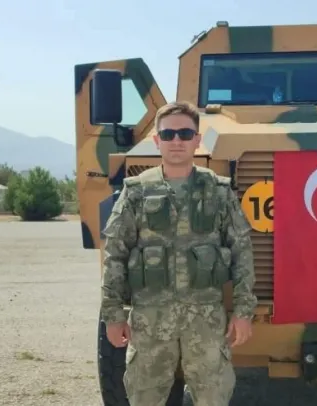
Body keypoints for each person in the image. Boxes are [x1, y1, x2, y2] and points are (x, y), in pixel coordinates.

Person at [100, 100, 258, 406]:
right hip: (150, 320)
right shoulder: (136, 192)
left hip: (205, 321)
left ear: (197, 140)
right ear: (156, 140)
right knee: (145, 399)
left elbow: (242, 253)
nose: (176, 141)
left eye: (185, 134)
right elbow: (115, 256)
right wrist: (113, 315)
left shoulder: (219, 191)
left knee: (212, 399)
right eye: (168, 134)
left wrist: (243, 312)